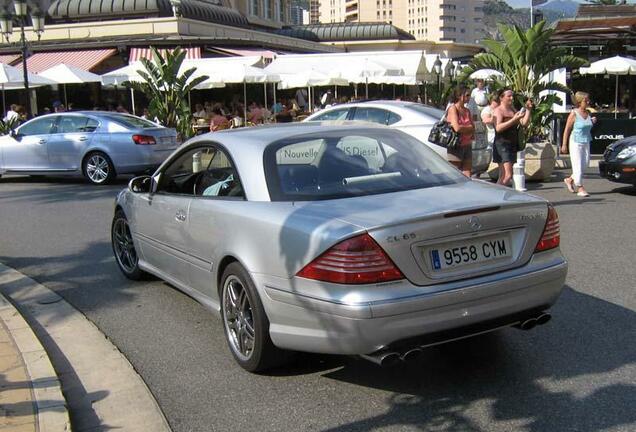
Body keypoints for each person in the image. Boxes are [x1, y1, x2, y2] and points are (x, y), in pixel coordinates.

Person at [493, 89, 532, 186]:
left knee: (503, 175)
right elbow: (498, 128)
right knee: (507, 175)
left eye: (512, 96)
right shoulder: (498, 110)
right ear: (501, 98)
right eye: (509, 96)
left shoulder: (512, 109)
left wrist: (528, 110)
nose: (511, 98)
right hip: (502, 144)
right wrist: (513, 120)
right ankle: (496, 195)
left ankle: (498, 195)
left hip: (511, 143)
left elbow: (523, 123)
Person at [561, 91, 596, 197]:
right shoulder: (574, 113)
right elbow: (567, 129)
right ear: (580, 102)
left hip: (586, 141)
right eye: (586, 100)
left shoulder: (588, 114)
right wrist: (564, 144)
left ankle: (570, 179)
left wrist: (592, 122)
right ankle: (580, 187)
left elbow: (586, 126)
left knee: (585, 164)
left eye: (588, 100)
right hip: (575, 142)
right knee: (578, 167)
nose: (588, 102)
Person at [446, 86, 475, 177]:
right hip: (456, 145)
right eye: (467, 95)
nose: (469, 97)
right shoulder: (453, 109)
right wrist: (469, 128)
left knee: (467, 173)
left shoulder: (467, 111)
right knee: (455, 173)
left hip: (467, 144)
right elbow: (457, 128)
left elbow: (473, 127)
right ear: (460, 96)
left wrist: (467, 128)